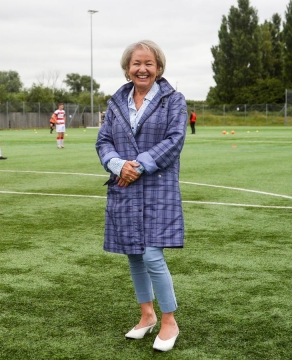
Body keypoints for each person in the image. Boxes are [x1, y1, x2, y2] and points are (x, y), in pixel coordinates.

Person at [95, 40, 186, 352]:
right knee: (133, 253)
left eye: (149, 63)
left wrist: (139, 165)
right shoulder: (116, 101)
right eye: (136, 63)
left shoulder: (174, 100)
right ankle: (146, 316)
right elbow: (103, 141)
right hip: (123, 185)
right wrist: (118, 165)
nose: (142, 69)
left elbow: (175, 139)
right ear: (127, 68)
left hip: (157, 186)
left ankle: (169, 320)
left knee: (151, 254)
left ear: (158, 68)